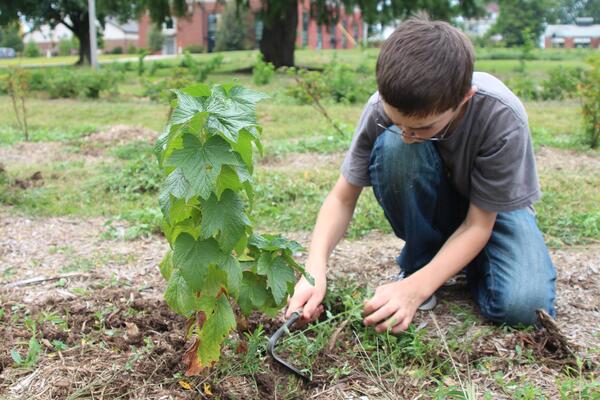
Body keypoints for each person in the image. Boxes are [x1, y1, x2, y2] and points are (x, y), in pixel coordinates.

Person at [286, 17, 556, 334]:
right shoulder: (380, 108)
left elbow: (479, 223)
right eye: (397, 121)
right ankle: (425, 265)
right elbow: (342, 197)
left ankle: (458, 267)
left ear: (464, 97)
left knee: (524, 308)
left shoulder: (501, 116)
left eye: (423, 128)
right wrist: (314, 268)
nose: (407, 135)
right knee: (393, 149)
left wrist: (415, 291)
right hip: (438, 202)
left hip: (491, 211)